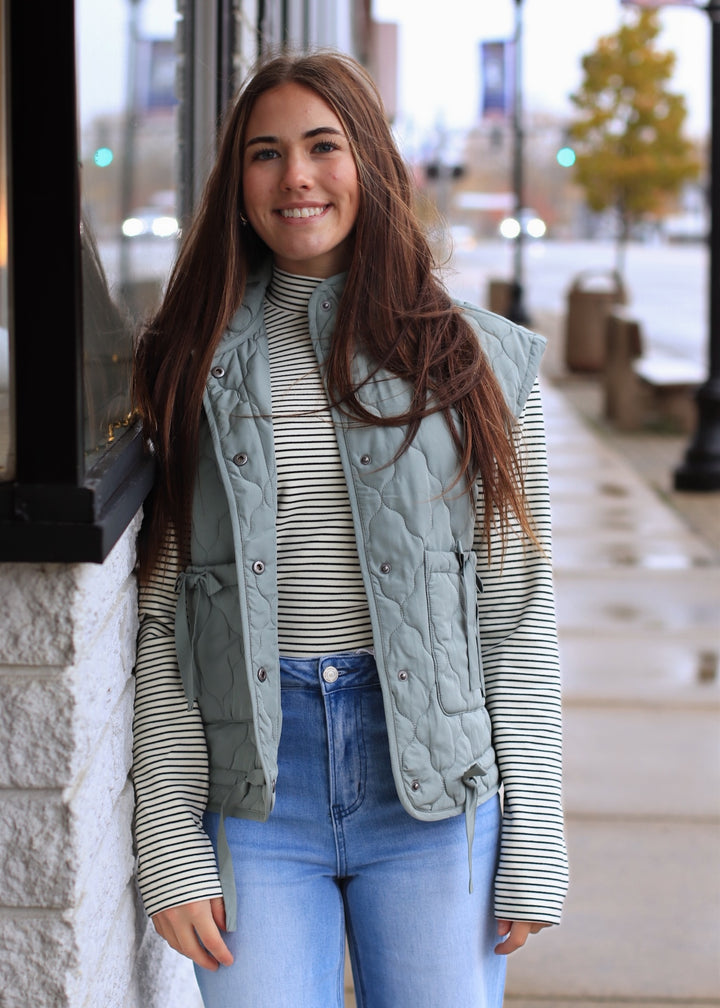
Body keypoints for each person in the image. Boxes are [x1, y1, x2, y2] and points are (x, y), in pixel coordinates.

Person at [131, 48, 568, 1008]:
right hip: (254, 795)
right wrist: (168, 838)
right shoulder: (185, 361)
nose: (296, 177)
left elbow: (517, 614)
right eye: (265, 152)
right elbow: (162, 618)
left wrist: (536, 834)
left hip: (434, 793)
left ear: (371, 161)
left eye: (323, 146)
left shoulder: (480, 362)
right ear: (236, 182)